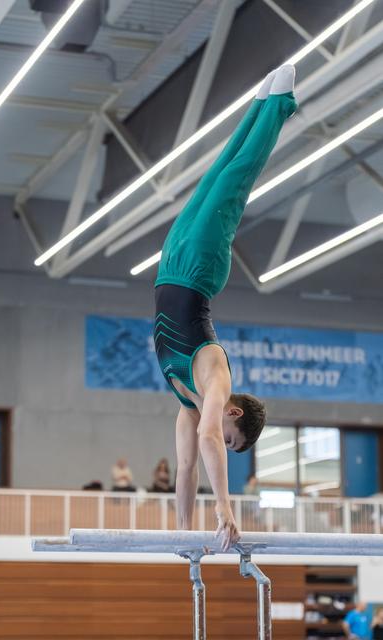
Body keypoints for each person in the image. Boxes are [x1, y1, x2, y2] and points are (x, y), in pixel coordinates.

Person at [153, 65, 297, 549]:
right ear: (233, 412)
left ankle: (257, 101)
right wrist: (227, 509)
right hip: (198, 270)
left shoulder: (186, 407)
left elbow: (188, 467)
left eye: (229, 445)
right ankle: (278, 106)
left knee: (216, 173)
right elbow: (212, 441)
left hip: (171, 264)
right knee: (236, 181)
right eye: (234, 439)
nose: (223, 442)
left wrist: (185, 536)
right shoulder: (217, 381)